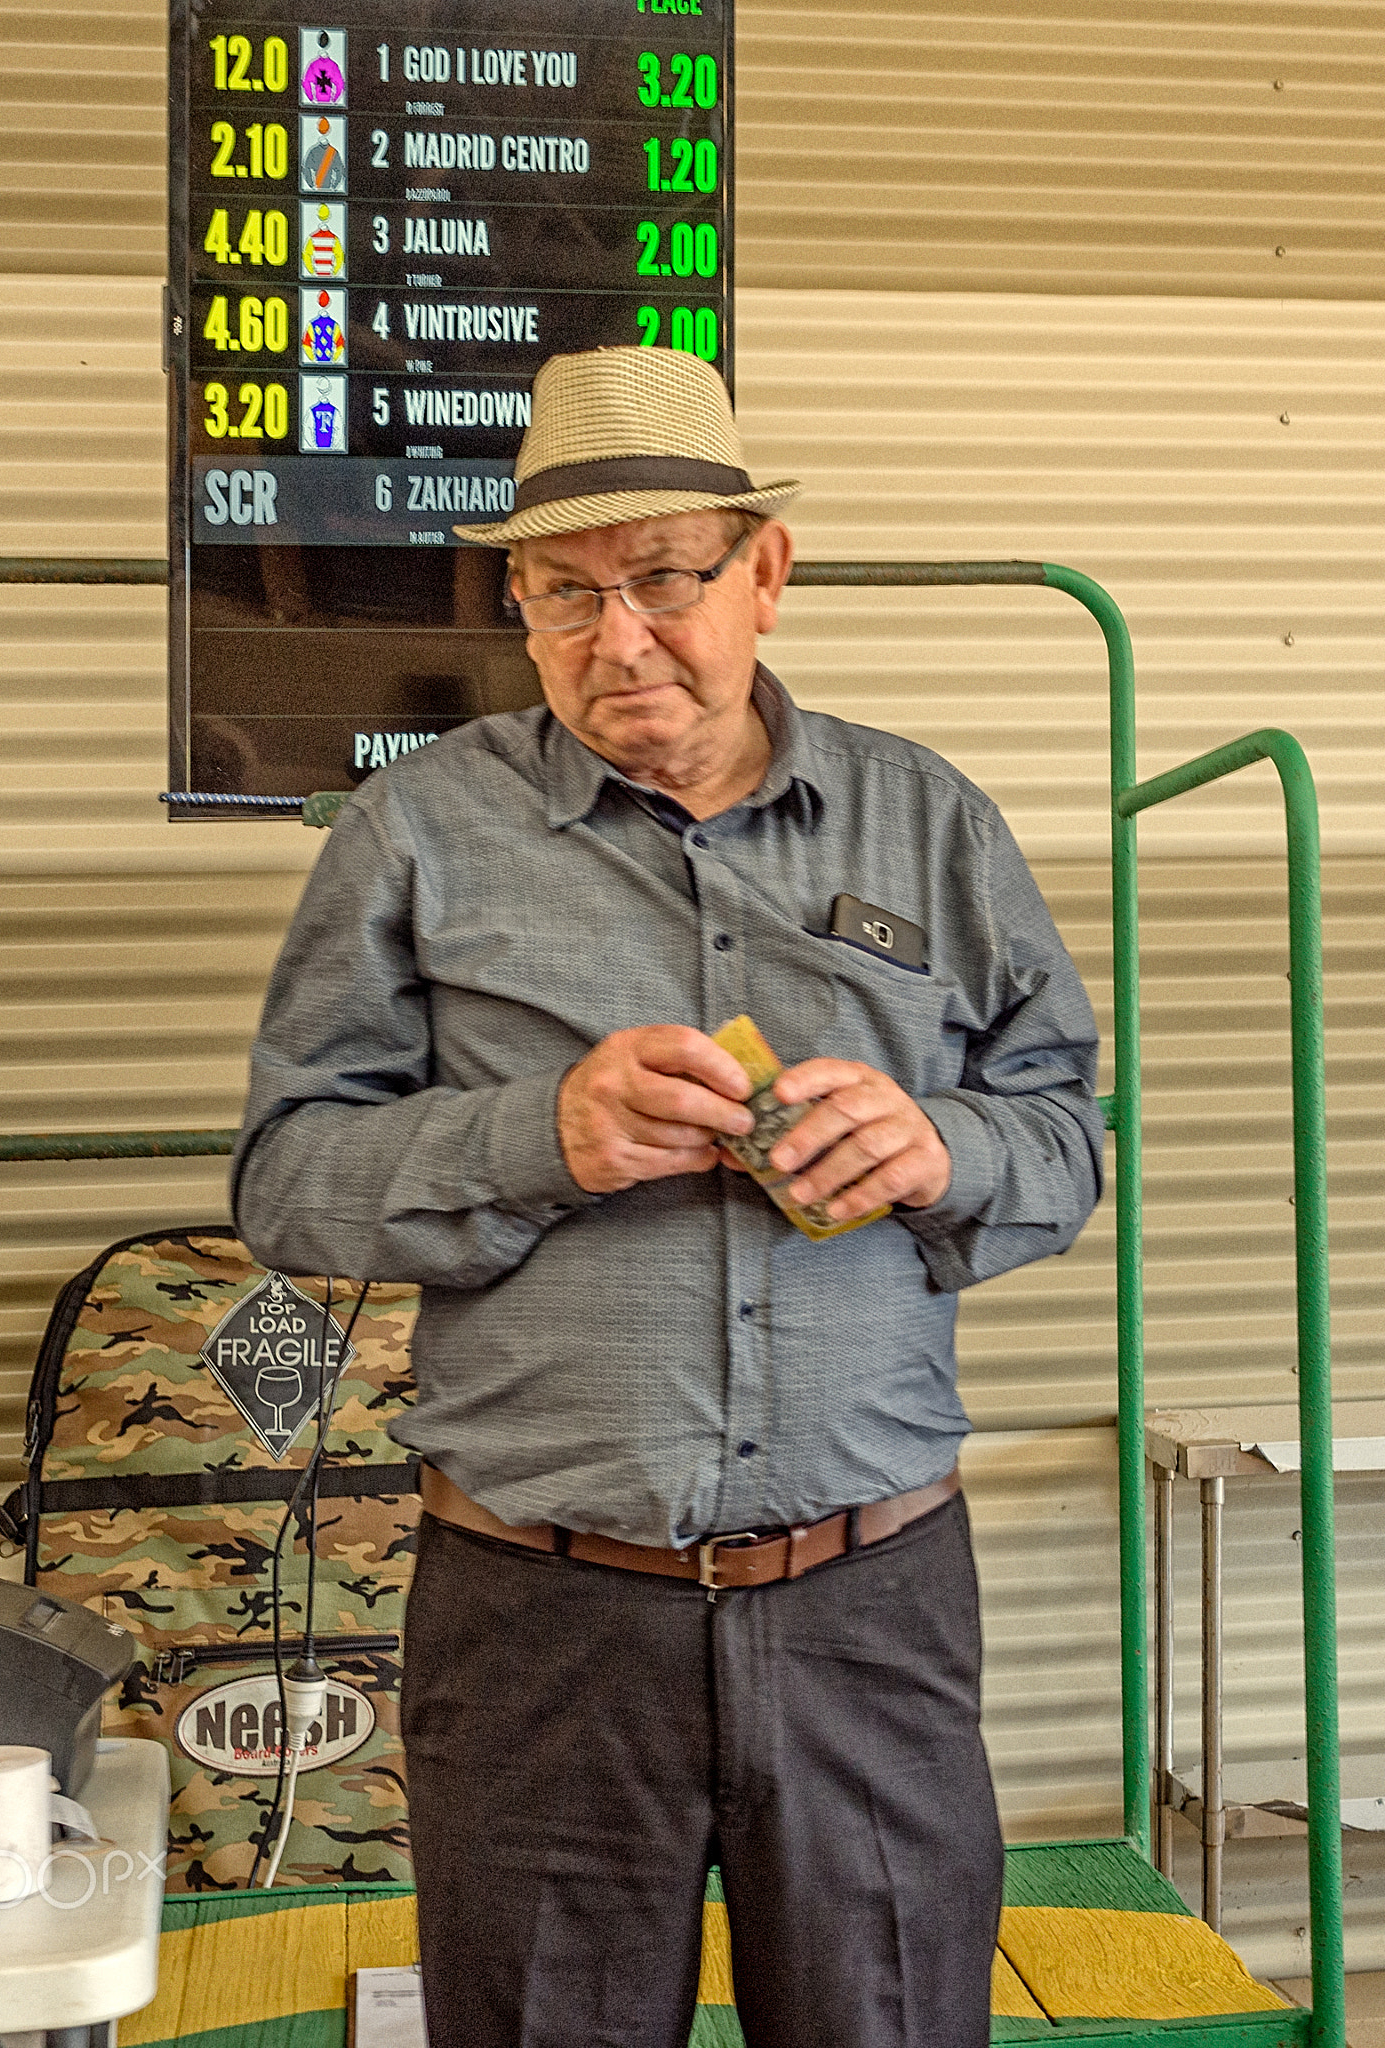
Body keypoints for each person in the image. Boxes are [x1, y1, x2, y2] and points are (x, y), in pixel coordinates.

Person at [232, 345, 1103, 2048]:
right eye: (564, 595)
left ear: (765, 574)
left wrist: (948, 1151)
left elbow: (1069, 1131)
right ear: (517, 599)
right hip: (540, 1617)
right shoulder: (415, 835)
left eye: (662, 583)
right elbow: (286, 1179)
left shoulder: (927, 822)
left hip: (871, 1603)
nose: (617, 639)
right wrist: (534, 1134)